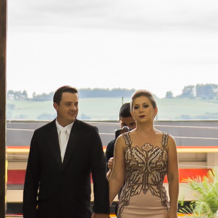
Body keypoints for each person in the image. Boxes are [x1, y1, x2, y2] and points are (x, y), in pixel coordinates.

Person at [23, 86, 109, 218]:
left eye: (76, 104)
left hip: (80, 212)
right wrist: (29, 213)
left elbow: (100, 175)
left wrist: (102, 211)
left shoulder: (90, 134)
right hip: (46, 213)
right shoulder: (40, 135)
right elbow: (31, 178)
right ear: (55, 106)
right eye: (68, 104)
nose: (74, 108)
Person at [109, 90, 179, 218]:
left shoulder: (168, 141)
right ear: (132, 113)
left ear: (155, 110)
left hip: (159, 210)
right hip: (128, 209)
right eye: (136, 107)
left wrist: (173, 210)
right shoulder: (122, 141)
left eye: (145, 106)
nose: (141, 110)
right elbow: (116, 178)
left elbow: (173, 177)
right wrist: (101, 208)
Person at [106, 102, 137, 167]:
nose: (128, 128)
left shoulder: (146, 143)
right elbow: (106, 175)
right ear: (119, 121)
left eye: (132, 124)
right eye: (124, 125)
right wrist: (111, 167)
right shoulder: (112, 146)